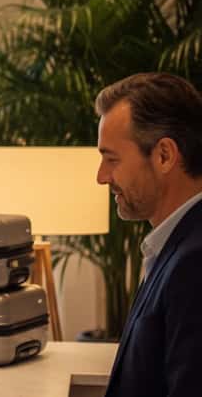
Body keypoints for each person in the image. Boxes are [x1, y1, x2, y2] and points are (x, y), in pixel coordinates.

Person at [95, 72, 202, 397]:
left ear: (165, 155)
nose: (101, 177)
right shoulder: (174, 247)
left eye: (111, 159)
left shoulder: (195, 262)